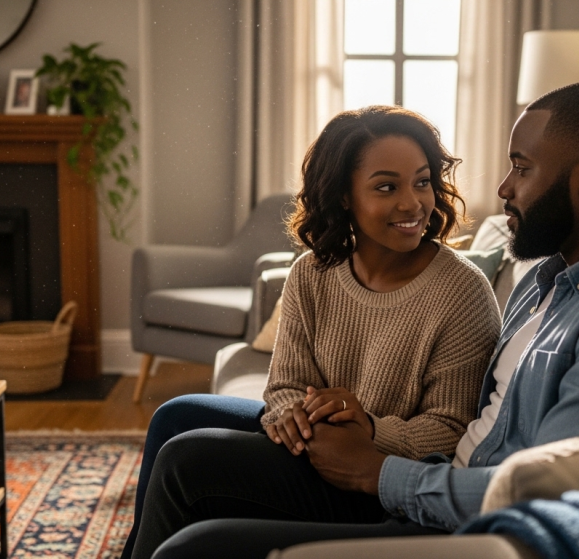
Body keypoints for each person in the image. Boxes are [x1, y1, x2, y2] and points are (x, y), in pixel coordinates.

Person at [129, 80, 579, 559]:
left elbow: (541, 494)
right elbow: (293, 384)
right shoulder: (551, 278)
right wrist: (310, 422)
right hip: (422, 477)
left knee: (194, 535)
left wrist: (376, 467)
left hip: (445, 511)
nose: (502, 187)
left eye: (521, 167)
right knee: (181, 426)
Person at [122, 106, 502, 558]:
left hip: (378, 474)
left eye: (422, 182)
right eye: (387, 187)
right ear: (344, 196)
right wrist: (293, 420)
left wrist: (367, 429)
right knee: (176, 416)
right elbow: (284, 384)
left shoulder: (463, 291)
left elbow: (451, 428)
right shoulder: (312, 273)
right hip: (314, 443)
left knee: (184, 462)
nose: (412, 203)